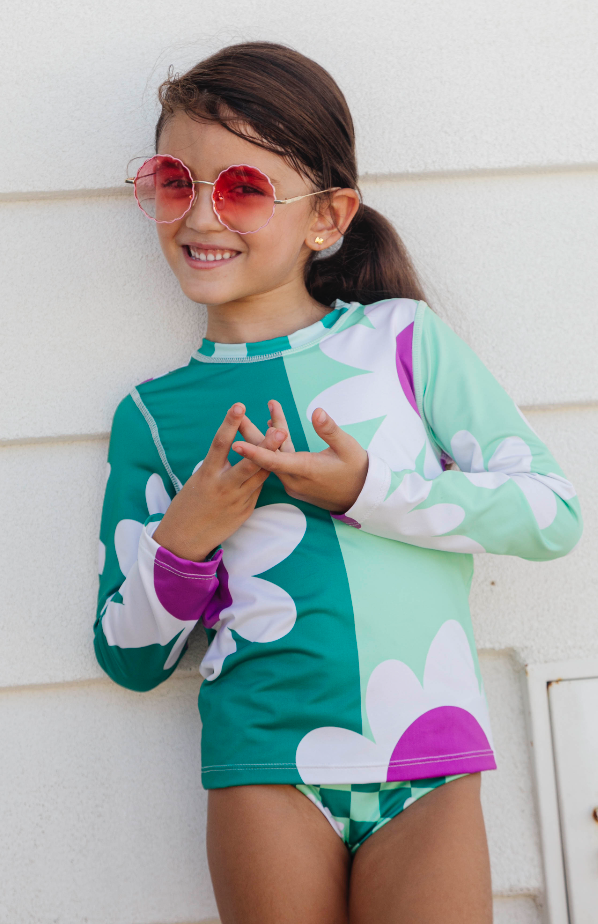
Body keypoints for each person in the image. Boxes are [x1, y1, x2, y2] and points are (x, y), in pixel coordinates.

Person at [94, 41, 582, 924]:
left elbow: (551, 514)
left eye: (243, 188)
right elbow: (128, 657)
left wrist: (367, 490)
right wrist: (188, 534)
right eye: (174, 182)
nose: (200, 215)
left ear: (327, 217)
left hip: (428, 758)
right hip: (265, 766)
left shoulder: (405, 342)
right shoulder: (152, 416)